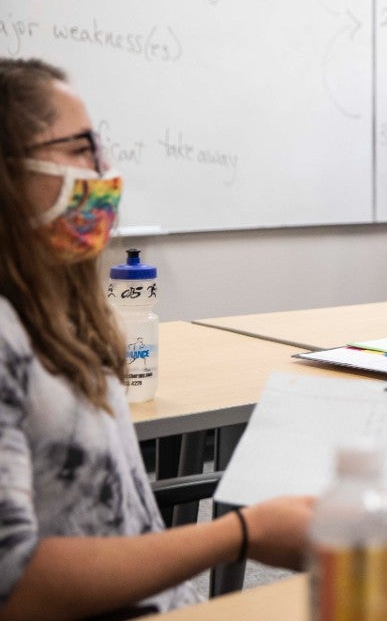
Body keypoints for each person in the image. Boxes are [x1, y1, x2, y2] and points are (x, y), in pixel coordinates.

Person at [0, 59, 313, 619]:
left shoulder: (54, 312)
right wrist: (242, 532)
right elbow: (14, 585)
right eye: (81, 148)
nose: (104, 170)